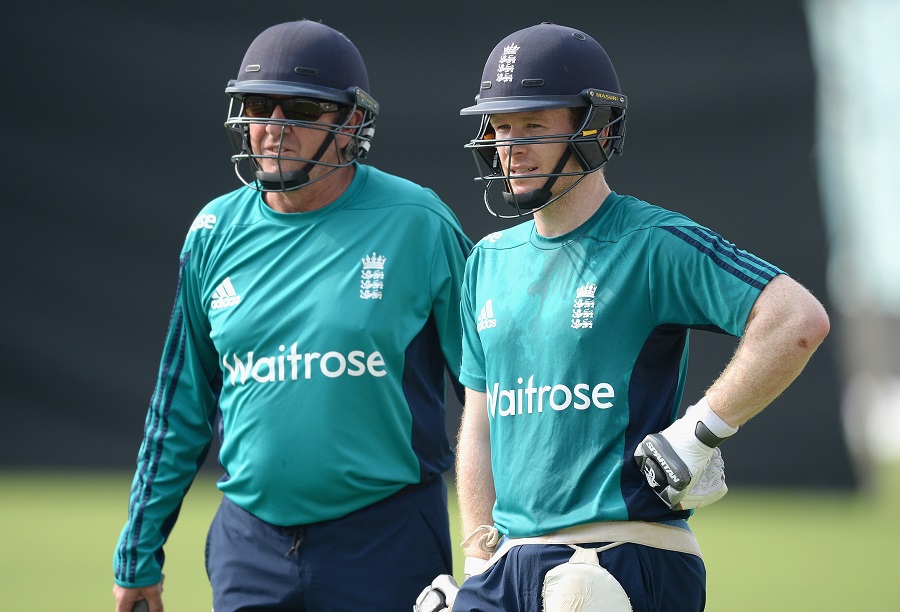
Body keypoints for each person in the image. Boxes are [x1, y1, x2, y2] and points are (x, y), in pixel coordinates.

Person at [425, 22, 830, 612]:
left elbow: (797, 318)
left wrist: (699, 433)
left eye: (533, 124)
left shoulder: (652, 242)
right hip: (510, 566)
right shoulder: (487, 260)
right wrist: (480, 562)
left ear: (594, 127)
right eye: (501, 125)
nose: (510, 144)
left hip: (622, 555)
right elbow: (481, 427)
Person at [112, 19, 473, 612]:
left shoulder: (419, 222)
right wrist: (137, 553)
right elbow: (177, 407)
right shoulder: (213, 231)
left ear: (351, 123)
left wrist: (509, 542)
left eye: (301, 109)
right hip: (249, 545)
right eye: (257, 106)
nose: (273, 130)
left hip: (388, 540)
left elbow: (489, 397)